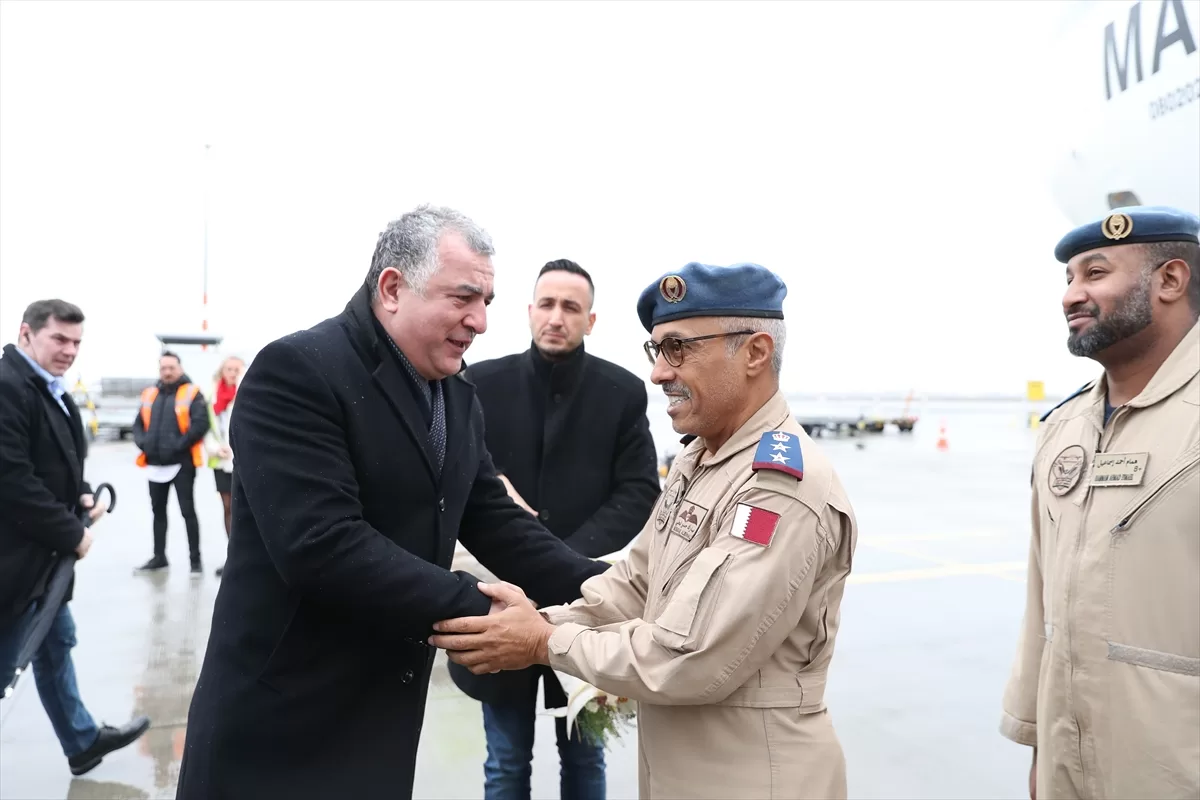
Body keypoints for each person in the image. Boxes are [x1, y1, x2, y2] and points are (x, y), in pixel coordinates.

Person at [176, 205, 611, 800]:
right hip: (283, 726)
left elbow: (494, 518)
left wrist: (605, 592)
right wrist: (489, 616)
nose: (481, 320)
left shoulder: (456, 393)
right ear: (392, 288)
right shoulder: (299, 372)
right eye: (464, 297)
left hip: (382, 720)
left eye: (487, 300)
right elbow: (323, 547)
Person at [432, 262, 861, 800]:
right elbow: (634, 584)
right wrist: (535, 620)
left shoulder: (778, 487)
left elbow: (690, 656)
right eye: (655, 350)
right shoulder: (698, 463)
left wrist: (543, 641)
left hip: (756, 776)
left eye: (679, 348)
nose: (659, 372)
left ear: (754, 353)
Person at [999, 206, 1200, 800]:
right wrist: (1039, 747)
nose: (1072, 295)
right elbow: (1043, 609)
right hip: (1071, 768)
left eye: (1094, 273)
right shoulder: (1063, 429)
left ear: (1170, 281)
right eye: (1068, 280)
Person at [448, 258, 660, 799]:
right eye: (547, 304)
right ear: (528, 312)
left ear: (591, 320)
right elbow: (459, 477)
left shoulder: (622, 391)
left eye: (571, 307)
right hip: (500, 601)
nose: (557, 317)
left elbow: (638, 491)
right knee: (506, 763)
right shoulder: (479, 382)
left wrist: (560, 558)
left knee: (585, 764)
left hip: (587, 608)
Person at [0, 299, 151, 775]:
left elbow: (53, 462)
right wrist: (72, 534)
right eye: (59, 339)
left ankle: (81, 740)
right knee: (8, 662)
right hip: (13, 560)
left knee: (54, 641)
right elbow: (11, 477)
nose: (69, 350)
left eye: (77, 342)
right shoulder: (7, 386)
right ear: (27, 333)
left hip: (42, 558)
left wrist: (83, 497)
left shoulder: (49, 387)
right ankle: (82, 738)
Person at [132, 351, 210, 573]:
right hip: (154, 464)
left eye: (171, 368)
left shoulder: (192, 393)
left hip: (181, 464)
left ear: (180, 368)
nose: (167, 372)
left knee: (188, 511)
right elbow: (137, 424)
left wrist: (177, 445)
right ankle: (159, 557)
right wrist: (143, 443)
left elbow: (200, 424)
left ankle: (195, 561)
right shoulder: (150, 394)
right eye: (163, 368)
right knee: (158, 511)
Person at [204, 355, 244, 577]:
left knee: (243, 507)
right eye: (228, 369)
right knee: (227, 507)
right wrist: (215, 448)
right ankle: (232, 554)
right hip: (220, 459)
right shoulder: (213, 396)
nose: (232, 373)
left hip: (241, 459)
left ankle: (245, 555)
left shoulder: (247, 392)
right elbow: (208, 426)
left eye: (236, 369)